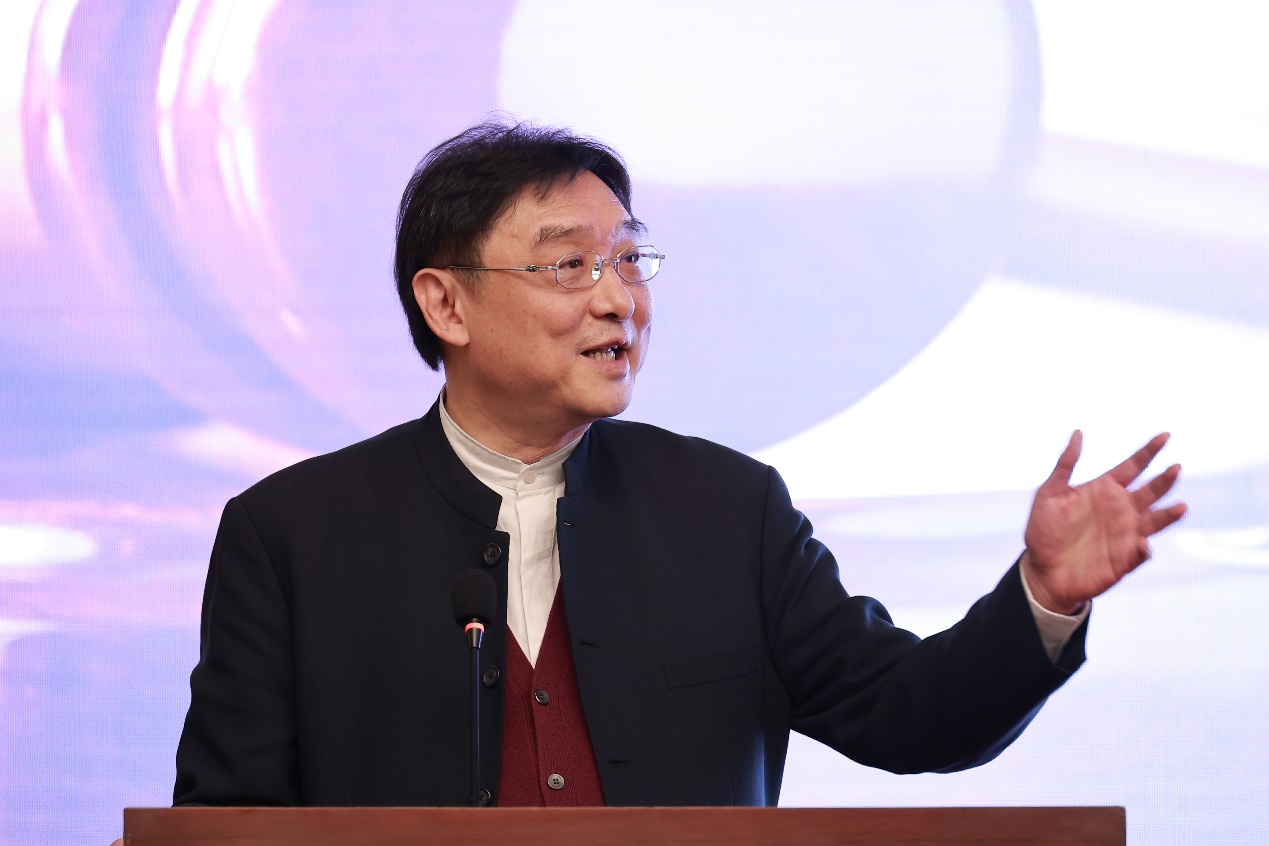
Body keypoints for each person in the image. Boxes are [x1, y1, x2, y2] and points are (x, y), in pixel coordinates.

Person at [171, 120, 1186, 807]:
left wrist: (1042, 597)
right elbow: (226, 821)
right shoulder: (293, 534)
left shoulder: (725, 509)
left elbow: (912, 715)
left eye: (629, 259)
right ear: (446, 304)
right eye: (569, 265)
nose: (620, 299)